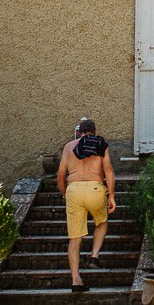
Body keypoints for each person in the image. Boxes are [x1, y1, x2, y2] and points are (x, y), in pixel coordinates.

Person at [56, 118, 116, 292]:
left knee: (74, 239)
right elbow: (109, 170)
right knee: (102, 222)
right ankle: (94, 256)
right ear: (94, 132)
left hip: (74, 190)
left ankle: (76, 280)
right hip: (95, 188)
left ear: (79, 132)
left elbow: (60, 177)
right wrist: (111, 195)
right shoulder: (100, 144)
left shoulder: (68, 147)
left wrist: (65, 193)